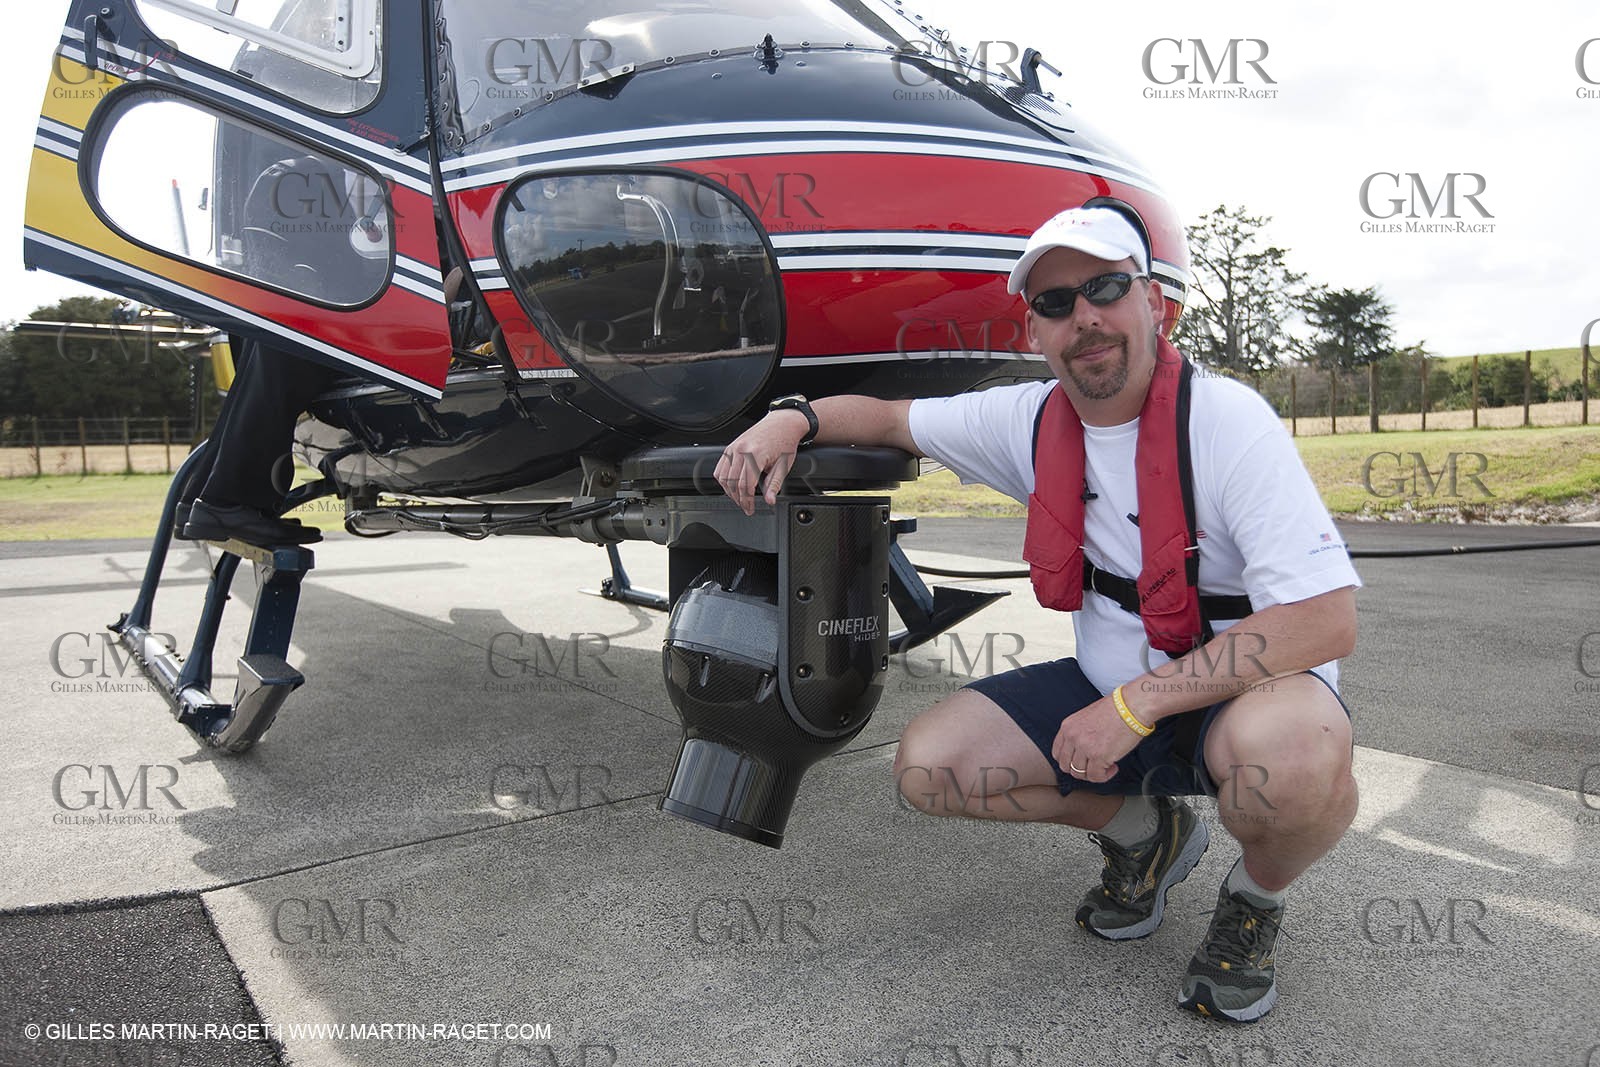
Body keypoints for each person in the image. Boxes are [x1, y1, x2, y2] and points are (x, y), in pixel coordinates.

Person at [714, 206, 1361, 1023]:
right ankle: (1147, 834)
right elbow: (887, 417)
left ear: (1154, 303)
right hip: (1110, 685)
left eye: (1105, 288)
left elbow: (1325, 620)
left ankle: (1254, 897)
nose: (1083, 316)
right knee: (931, 767)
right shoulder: (1025, 418)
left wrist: (1135, 706)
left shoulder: (1228, 421)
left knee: (1295, 761)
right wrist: (792, 417)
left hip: (1248, 698)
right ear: (1034, 332)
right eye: (1056, 302)